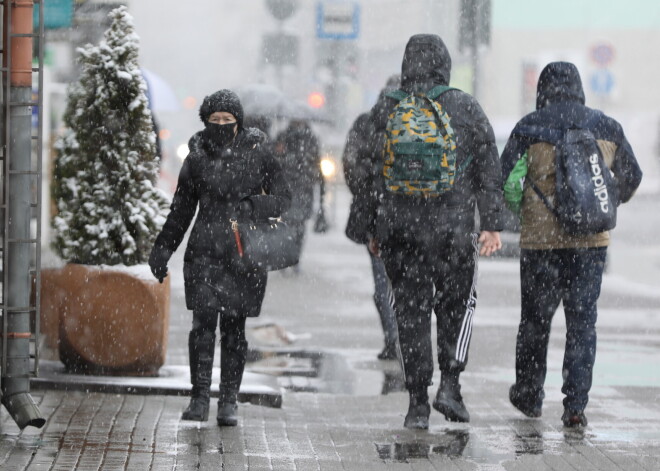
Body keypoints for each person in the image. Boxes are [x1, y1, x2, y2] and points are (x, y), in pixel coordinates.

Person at [363, 34, 504, 429]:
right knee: (458, 308)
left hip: (400, 231)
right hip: (453, 231)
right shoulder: (464, 106)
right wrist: (491, 223)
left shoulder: (387, 108)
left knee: (409, 314)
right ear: (444, 63)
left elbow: (369, 173)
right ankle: (451, 386)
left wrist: (372, 228)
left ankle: (416, 405)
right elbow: (489, 171)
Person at [501, 62, 642, 428]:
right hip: (590, 243)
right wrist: (604, 203)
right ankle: (576, 405)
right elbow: (632, 176)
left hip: (540, 244)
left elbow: (502, 177)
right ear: (578, 87)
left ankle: (530, 397)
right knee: (582, 323)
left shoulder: (529, 127)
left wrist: (516, 213)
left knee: (535, 321)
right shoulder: (606, 127)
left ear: (544, 89)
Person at [148, 89, 291, 426]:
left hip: (244, 251)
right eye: (215, 120)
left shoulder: (259, 152)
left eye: (228, 120)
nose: (222, 125)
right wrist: (163, 248)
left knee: (234, 328)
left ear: (238, 122)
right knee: (202, 327)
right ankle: (199, 399)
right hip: (204, 251)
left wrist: (252, 206)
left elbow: (284, 198)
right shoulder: (196, 155)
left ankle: (228, 401)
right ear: (205, 121)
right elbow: (182, 209)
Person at [343, 76, 400, 361]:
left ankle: (393, 339)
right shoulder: (416, 122)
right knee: (408, 285)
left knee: (382, 283)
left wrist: (366, 193)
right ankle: (405, 340)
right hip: (410, 217)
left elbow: (350, 163)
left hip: (376, 217)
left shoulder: (366, 123)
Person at [273, 119, 324, 271]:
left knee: (299, 226)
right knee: (287, 224)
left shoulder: (310, 138)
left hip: (303, 188)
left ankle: (294, 257)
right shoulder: (283, 136)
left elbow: (316, 162)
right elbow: (274, 160)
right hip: (288, 187)